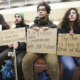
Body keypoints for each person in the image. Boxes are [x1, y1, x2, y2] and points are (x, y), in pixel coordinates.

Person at [22, 2, 59, 80]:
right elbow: (28, 40)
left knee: (53, 63)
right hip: (35, 49)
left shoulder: (53, 26)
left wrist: (49, 32)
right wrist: (33, 32)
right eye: (39, 10)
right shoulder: (32, 26)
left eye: (43, 10)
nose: (40, 11)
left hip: (49, 50)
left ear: (48, 13)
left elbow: (56, 40)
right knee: (25, 60)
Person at [0, 12, 29, 80]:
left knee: (18, 61)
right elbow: (11, 41)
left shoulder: (28, 28)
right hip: (12, 50)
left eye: (18, 17)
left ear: (22, 18)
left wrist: (19, 45)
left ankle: (19, 78)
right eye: (15, 17)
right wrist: (9, 44)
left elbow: (29, 43)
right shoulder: (14, 29)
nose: (16, 18)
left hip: (23, 50)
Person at [58, 8, 80, 80]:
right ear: (67, 16)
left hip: (77, 53)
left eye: (73, 13)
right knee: (70, 67)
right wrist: (66, 37)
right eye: (69, 14)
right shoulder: (61, 27)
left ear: (76, 16)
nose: (71, 15)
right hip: (65, 52)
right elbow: (57, 40)